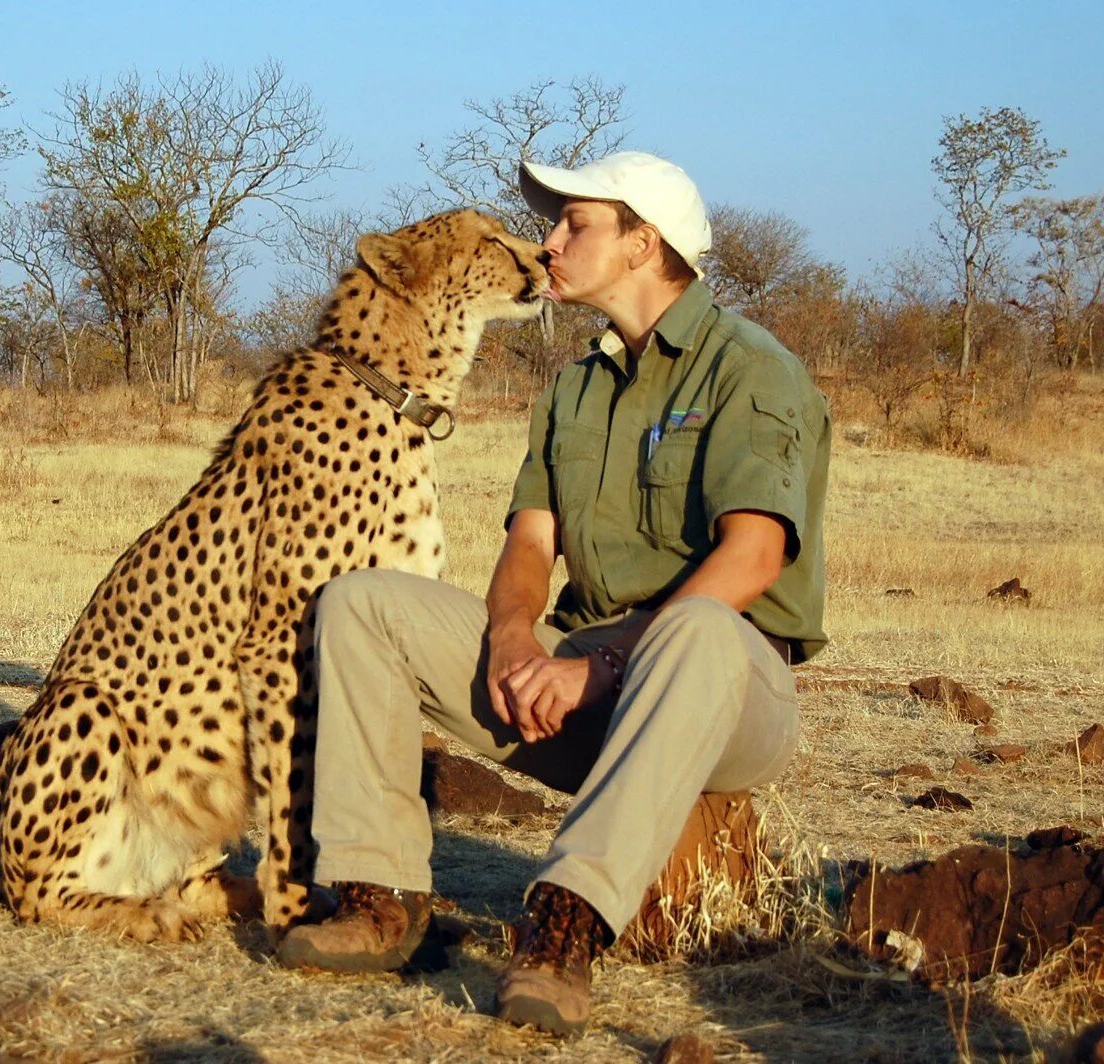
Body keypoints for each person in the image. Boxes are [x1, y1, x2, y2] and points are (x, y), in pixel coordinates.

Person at [276, 151, 831, 1036]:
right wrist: (511, 640)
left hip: (723, 691)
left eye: (577, 224)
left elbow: (755, 559)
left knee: (692, 628)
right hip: (584, 683)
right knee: (362, 602)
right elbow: (530, 542)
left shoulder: (751, 368)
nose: (549, 242)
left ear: (644, 244)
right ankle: (380, 896)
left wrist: (607, 663)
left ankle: (563, 930)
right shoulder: (575, 386)